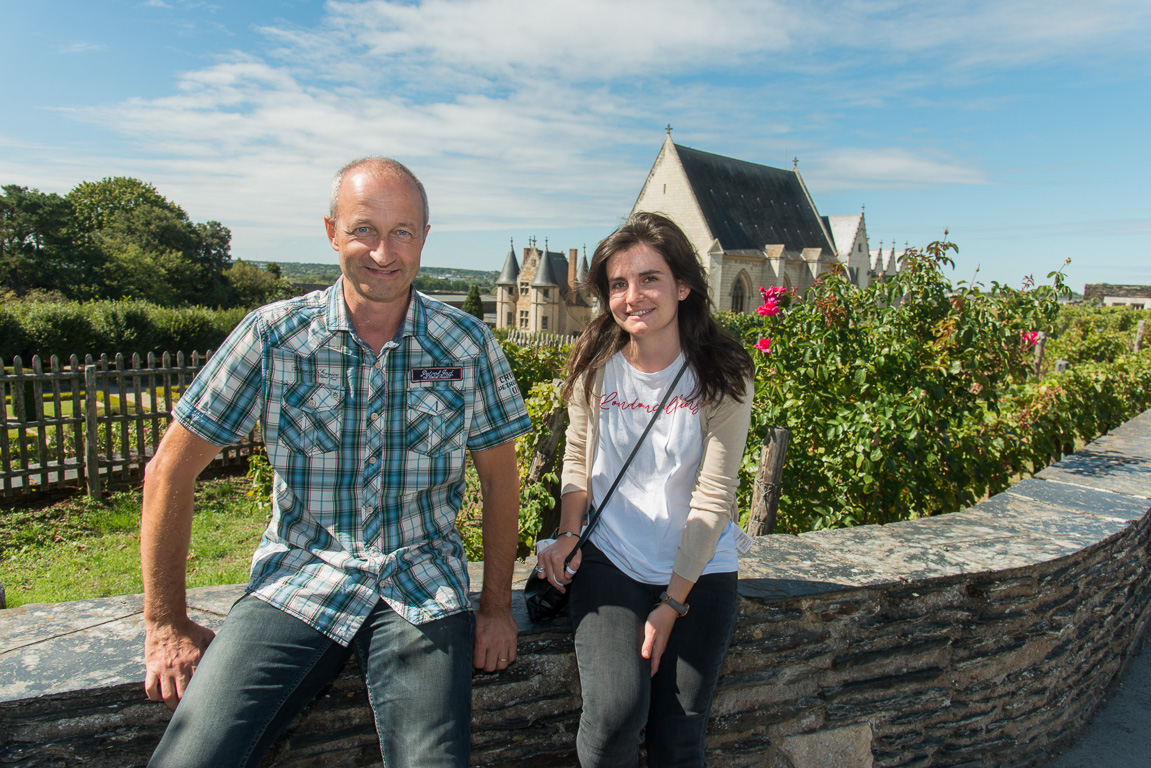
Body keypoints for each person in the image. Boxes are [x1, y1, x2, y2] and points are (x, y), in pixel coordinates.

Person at [141, 156, 531, 768]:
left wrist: (497, 607)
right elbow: (170, 469)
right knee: (191, 758)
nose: (383, 251)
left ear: (425, 238)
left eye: (403, 231)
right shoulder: (272, 337)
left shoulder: (467, 345)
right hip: (299, 580)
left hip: (421, 586)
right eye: (364, 230)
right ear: (331, 233)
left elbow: (502, 481)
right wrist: (165, 624)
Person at [537, 212, 754, 767]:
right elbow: (578, 457)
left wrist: (672, 603)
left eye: (649, 279)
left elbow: (714, 496)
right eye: (617, 283)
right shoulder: (596, 363)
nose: (632, 296)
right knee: (614, 715)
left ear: (683, 286)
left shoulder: (722, 373)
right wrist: (567, 533)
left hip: (699, 570)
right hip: (612, 558)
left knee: (679, 737)